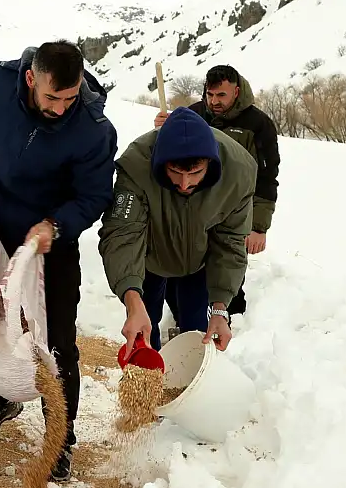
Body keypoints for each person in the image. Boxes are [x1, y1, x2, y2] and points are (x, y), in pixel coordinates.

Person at [0, 40, 118, 482]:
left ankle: (61, 435)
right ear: (31, 79)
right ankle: (0, 401)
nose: (60, 108)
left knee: (56, 341)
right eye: (52, 98)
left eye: (70, 98)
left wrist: (55, 226)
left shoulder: (94, 128)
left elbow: (94, 195)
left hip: (50, 243)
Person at [98, 106, 257, 352]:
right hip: (150, 256)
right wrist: (131, 297)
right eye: (175, 172)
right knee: (144, 319)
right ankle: (147, 373)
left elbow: (231, 241)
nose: (184, 184)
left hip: (199, 258)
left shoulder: (238, 172)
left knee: (195, 327)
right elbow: (122, 234)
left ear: (210, 164)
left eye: (195, 173)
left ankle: (188, 376)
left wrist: (220, 306)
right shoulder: (136, 165)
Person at [155, 64, 279, 322]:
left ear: (236, 90)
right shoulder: (193, 115)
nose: (214, 102)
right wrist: (162, 130)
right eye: (210, 95)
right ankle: (185, 322)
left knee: (228, 268)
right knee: (184, 271)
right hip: (191, 209)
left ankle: (232, 322)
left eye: (221, 95)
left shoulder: (259, 125)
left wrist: (258, 226)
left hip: (232, 210)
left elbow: (266, 178)